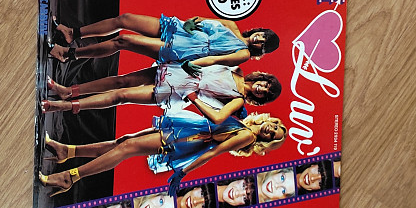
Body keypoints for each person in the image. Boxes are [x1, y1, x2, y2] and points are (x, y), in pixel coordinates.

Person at [39, 112, 287, 196]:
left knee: (126, 148)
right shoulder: (244, 123)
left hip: (185, 140)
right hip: (186, 128)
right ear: (270, 120)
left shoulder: (247, 136)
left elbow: (213, 152)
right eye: (275, 126)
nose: (271, 130)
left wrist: (183, 172)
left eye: (273, 135)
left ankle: (71, 177)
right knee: (123, 141)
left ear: (266, 142)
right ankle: (67, 151)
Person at [48, 13, 280, 70]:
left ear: (261, 51)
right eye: (262, 35)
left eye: (263, 43)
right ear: (259, 30)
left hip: (184, 50)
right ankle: (72, 33)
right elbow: (200, 20)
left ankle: (68, 54)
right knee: (125, 19)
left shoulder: (243, 54)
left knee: (123, 41)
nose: (259, 39)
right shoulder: (233, 25)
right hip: (179, 28)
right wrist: (190, 24)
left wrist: (190, 65)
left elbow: (214, 61)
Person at [42, 64, 282, 116]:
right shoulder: (237, 69)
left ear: (261, 98)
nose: (261, 88)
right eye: (265, 84)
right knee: (121, 81)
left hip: (179, 93)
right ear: (263, 77)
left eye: (264, 92)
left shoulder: (238, 101)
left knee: (121, 96)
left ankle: (63, 106)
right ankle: (68, 91)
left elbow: (218, 117)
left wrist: (194, 99)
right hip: (180, 71)